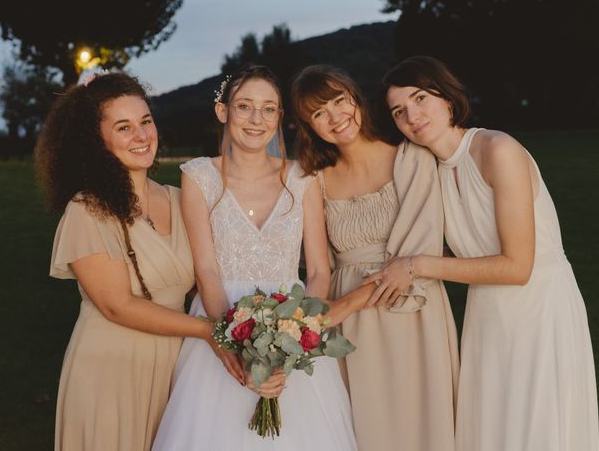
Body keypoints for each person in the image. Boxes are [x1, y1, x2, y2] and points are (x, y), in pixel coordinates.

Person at [380, 55, 599, 451]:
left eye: (420, 98)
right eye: (399, 111)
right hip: (487, 317)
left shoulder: (498, 149)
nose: (412, 115)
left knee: (536, 427)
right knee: (491, 429)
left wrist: (416, 266)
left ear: (447, 98)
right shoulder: (432, 170)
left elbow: (518, 267)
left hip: (539, 309)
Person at [152, 65, 357, 450]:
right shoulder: (199, 176)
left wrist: (297, 335)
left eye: (268, 109)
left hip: (293, 319)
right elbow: (208, 270)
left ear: (280, 117)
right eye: (244, 106)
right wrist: (235, 346)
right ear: (223, 111)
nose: (255, 119)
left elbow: (317, 270)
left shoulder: (302, 178)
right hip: (221, 320)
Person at [35, 72, 243, 451]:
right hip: (110, 366)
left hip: (175, 366)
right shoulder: (88, 209)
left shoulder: (181, 199)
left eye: (145, 121)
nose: (142, 135)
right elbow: (117, 305)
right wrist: (207, 331)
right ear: (96, 140)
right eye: (124, 127)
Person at [291, 64, 460, 451]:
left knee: (423, 425)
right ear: (308, 126)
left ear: (355, 97)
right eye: (319, 113)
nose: (335, 117)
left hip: (413, 310)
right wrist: (319, 318)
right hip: (352, 331)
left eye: (338, 101)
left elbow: (418, 254)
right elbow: (321, 266)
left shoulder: (411, 157)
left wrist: (342, 306)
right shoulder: (313, 179)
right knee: (366, 428)